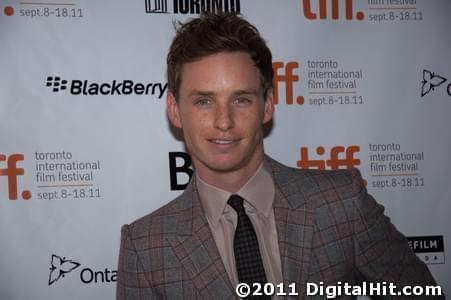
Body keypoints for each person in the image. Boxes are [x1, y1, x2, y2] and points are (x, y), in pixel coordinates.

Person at [116, 12, 442, 299]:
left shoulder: (342, 203)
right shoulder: (146, 247)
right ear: (175, 109)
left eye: (241, 99)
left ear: (267, 105)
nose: (224, 121)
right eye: (204, 101)